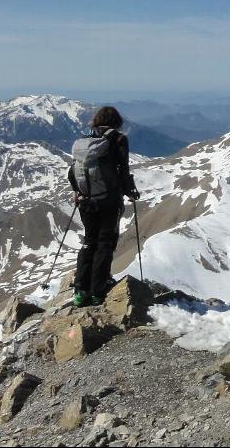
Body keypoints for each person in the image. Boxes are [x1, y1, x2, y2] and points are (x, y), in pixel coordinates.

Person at [67, 105, 140, 307]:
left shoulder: (83, 140)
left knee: (89, 241)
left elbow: (72, 171)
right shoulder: (117, 139)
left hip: (85, 200)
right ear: (117, 121)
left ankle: (80, 291)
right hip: (108, 199)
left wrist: (77, 192)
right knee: (105, 243)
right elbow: (123, 170)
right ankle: (98, 291)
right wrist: (130, 191)